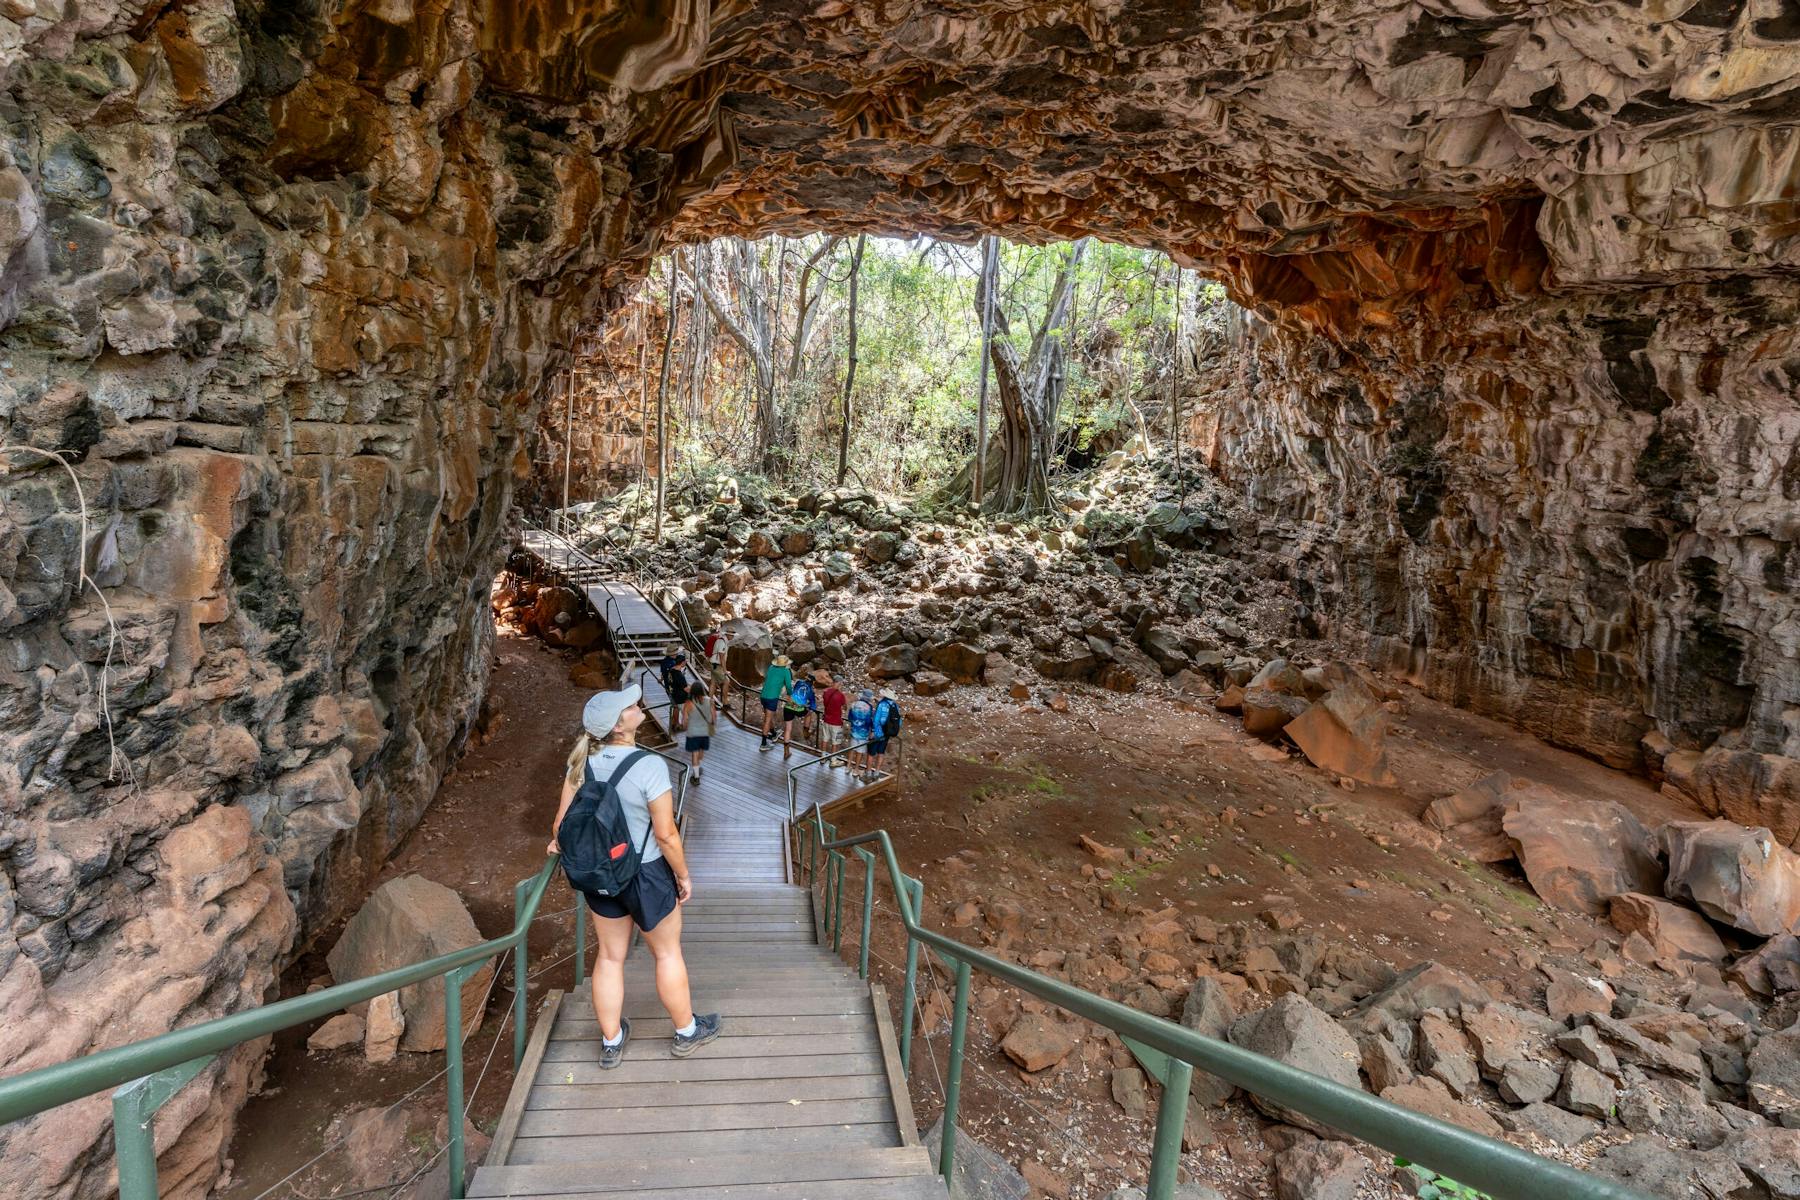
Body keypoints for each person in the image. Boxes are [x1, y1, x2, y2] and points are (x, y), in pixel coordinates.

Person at [550, 686, 722, 1066]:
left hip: (601, 874)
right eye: (629, 706)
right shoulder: (649, 766)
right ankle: (686, 1031)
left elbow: (560, 825)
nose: (637, 707)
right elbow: (666, 834)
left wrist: (558, 846)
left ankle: (611, 1042)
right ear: (618, 725)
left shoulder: (580, 764)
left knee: (611, 957)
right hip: (646, 872)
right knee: (666, 953)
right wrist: (683, 876)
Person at [758, 654, 794, 750]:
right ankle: (763, 744)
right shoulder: (785, 671)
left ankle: (774, 734)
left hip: (763, 695)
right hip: (772, 697)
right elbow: (789, 686)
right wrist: (791, 695)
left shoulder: (771, 667)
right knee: (767, 720)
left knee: (767, 717)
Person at [867, 688, 902, 782]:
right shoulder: (895, 706)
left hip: (877, 733)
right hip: (887, 734)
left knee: (871, 753)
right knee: (881, 753)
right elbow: (899, 721)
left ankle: (868, 773)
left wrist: (873, 731)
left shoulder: (881, 704)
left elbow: (876, 719)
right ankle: (877, 773)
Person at [684, 684, 715, 782]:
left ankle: (696, 777)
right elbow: (714, 716)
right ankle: (698, 766)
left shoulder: (689, 703)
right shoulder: (710, 701)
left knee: (695, 754)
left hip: (693, 732)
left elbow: (684, 720)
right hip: (705, 732)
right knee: (701, 750)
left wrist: (685, 727)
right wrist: (712, 725)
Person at [783, 671, 816, 760]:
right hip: (799, 709)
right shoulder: (811, 691)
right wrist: (810, 705)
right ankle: (806, 732)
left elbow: (796, 692)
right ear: (812, 683)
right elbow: (813, 706)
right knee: (809, 714)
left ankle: (786, 752)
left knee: (788, 729)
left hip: (788, 706)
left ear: (806, 679)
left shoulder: (798, 682)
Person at [818, 672, 848, 768]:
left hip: (826, 719)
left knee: (825, 739)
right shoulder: (840, 695)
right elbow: (844, 707)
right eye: (841, 683)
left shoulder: (826, 692)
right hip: (836, 722)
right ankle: (833, 760)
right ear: (839, 683)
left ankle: (823, 757)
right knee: (836, 741)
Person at [846, 688, 875, 776]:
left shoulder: (854, 704)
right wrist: (872, 730)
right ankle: (856, 769)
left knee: (851, 749)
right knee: (860, 751)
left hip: (854, 730)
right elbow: (871, 721)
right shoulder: (870, 708)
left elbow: (850, 717)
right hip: (864, 732)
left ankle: (848, 767)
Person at [665, 651, 690, 732]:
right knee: (685, 713)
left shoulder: (671, 670)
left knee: (676, 708)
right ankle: (686, 727)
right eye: (685, 661)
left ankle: (675, 724)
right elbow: (686, 689)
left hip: (672, 694)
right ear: (682, 663)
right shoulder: (679, 675)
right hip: (680, 697)